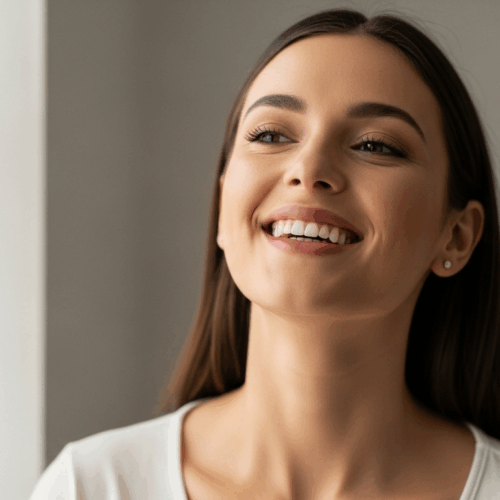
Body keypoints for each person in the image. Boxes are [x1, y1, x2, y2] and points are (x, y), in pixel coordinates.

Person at [30, 8, 500, 500]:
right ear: (221, 207)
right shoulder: (91, 487)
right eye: (271, 135)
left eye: (375, 145)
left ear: (458, 236)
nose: (309, 167)